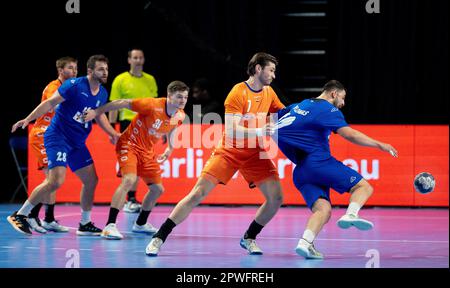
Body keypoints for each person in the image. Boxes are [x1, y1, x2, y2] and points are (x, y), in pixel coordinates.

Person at [145, 52, 285, 256]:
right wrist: (260, 130)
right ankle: (159, 237)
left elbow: (283, 113)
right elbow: (231, 129)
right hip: (229, 151)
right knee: (197, 194)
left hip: (254, 152)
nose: (273, 75)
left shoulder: (269, 92)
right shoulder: (237, 93)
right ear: (258, 69)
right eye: (271, 70)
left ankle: (249, 237)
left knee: (276, 198)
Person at [274, 80, 398, 259]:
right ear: (333, 94)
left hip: (301, 172)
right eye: (342, 98)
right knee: (363, 187)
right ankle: (351, 214)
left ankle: (305, 243)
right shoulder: (328, 109)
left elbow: (277, 119)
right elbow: (351, 135)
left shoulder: (301, 105)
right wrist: (380, 145)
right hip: (317, 162)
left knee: (323, 209)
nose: (343, 103)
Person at [8, 55, 121, 236]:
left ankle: (84, 224)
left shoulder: (102, 93)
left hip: (77, 142)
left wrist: (113, 133)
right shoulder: (74, 85)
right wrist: (28, 119)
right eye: (101, 69)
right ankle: (20, 215)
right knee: (56, 181)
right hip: (58, 136)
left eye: (106, 69)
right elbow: (50, 103)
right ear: (90, 71)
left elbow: (99, 115)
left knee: (91, 180)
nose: (105, 72)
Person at [83, 81, 188, 239]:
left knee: (157, 189)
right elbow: (122, 102)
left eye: (185, 97)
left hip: (147, 152)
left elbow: (173, 128)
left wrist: (170, 149)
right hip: (129, 145)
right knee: (129, 180)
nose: (182, 100)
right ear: (169, 96)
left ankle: (140, 224)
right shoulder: (151, 105)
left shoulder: (180, 114)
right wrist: (96, 112)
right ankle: (109, 226)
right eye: (179, 97)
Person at [27, 56, 78, 234]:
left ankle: (48, 219)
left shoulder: (70, 89)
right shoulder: (53, 87)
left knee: (54, 180)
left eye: (76, 68)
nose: (74, 71)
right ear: (60, 71)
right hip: (42, 134)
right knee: (51, 178)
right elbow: (56, 106)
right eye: (70, 68)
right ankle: (31, 215)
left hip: (54, 137)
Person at [109, 49, 159, 213]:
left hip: (146, 126)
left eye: (140, 58)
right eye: (135, 58)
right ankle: (129, 200)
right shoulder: (120, 80)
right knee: (131, 162)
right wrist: (112, 129)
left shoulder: (150, 80)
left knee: (140, 161)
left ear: (143, 60)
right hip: (127, 124)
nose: (138, 60)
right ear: (129, 60)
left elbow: (155, 105)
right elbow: (114, 105)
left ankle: (131, 199)